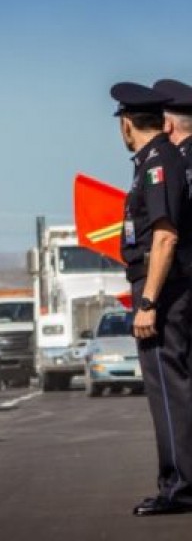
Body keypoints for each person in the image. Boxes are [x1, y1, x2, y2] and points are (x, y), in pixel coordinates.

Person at [110, 82, 192, 516]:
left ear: (127, 126)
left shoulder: (159, 163)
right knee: (175, 387)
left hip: (161, 290)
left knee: (167, 389)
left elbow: (163, 237)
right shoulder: (160, 160)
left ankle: (178, 487)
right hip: (166, 289)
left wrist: (148, 303)